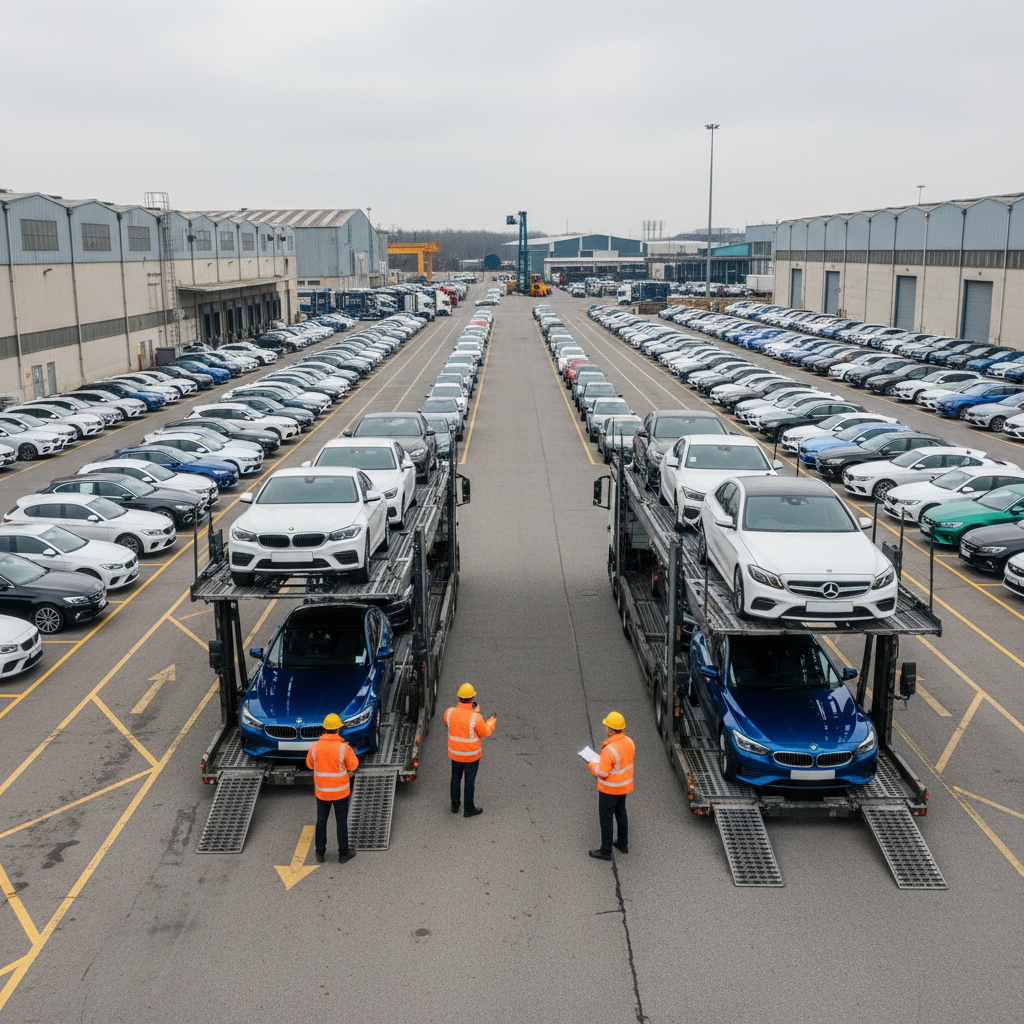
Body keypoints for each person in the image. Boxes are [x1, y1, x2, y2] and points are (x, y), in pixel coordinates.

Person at [306, 713, 360, 863]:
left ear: (324, 729)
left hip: (322, 792)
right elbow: (354, 766)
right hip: (340, 792)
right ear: (338, 730)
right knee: (341, 822)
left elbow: (310, 764)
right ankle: (343, 854)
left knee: (321, 821)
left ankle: (320, 853)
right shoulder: (344, 748)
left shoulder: (314, 746)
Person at [445, 683, 496, 817]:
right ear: (472, 699)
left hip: (455, 754)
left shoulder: (449, 712)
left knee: (455, 778)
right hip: (471, 756)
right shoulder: (475, 717)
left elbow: (450, 721)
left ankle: (454, 806)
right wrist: (491, 722)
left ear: (459, 698)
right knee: (469, 781)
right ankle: (469, 808)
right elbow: (484, 732)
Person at [588, 711, 634, 860]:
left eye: (607, 727)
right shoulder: (629, 742)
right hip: (624, 787)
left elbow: (602, 772)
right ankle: (622, 843)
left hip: (609, 789)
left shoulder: (609, 750)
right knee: (621, 813)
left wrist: (591, 765)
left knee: (606, 818)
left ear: (611, 730)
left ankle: (606, 850)